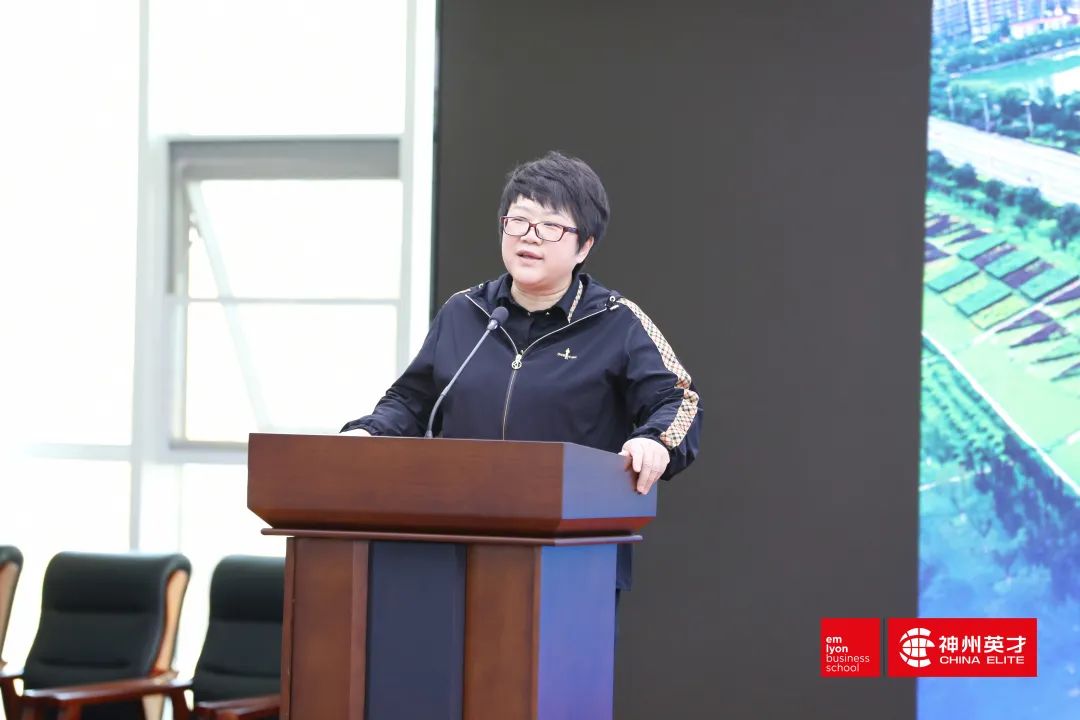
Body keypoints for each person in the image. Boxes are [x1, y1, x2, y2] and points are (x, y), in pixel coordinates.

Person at [341, 150, 702, 595]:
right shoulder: (465, 311)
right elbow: (411, 401)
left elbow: (680, 398)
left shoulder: (616, 321)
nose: (530, 236)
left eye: (551, 226)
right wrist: (368, 433)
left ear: (584, 246)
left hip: (571, 561)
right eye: (519, 221)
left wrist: (655, 441)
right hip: (453, 549)